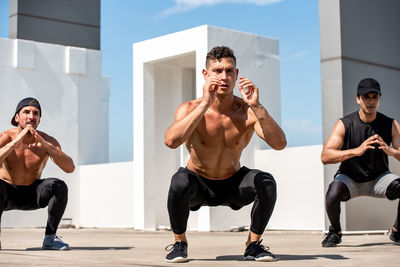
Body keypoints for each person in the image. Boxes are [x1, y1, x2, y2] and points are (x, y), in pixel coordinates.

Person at [164, 46, 286, 263]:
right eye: (217, 71)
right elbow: (171, 141)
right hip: (198, 183)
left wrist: (258, 107)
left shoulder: (247, 111)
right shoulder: (189, 108)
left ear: (236, 75)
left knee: (267, 182)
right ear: (205, 74)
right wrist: (204, 104)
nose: (224, 77)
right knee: (178, 181)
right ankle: (180, 243)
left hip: (233, 183)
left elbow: (279, 144)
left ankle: (253, 245)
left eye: (229, 71)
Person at [321, 78, 400, 247]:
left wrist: (392, 152)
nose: (371, 101)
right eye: (366, 97)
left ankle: (397, 231)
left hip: (379, 179)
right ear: (358, 99)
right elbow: (325, 156)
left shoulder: (391, 124)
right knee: (332, 193)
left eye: (374, 97)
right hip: (350, 180)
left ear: (379, 98)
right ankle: (335, 231)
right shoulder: (345, 124)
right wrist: (356, 151)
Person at [0, 97, 75, 250]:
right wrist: (15, 142)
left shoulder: (47, 141)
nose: (31, 116)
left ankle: (50, 239)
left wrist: (47, 146)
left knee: (59, 186)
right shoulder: (5, 137)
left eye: (36, 113)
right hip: (6, 194)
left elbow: (70, 168)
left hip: (32, 195)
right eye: (26, 112)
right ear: (17, 117)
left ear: (39, 119)